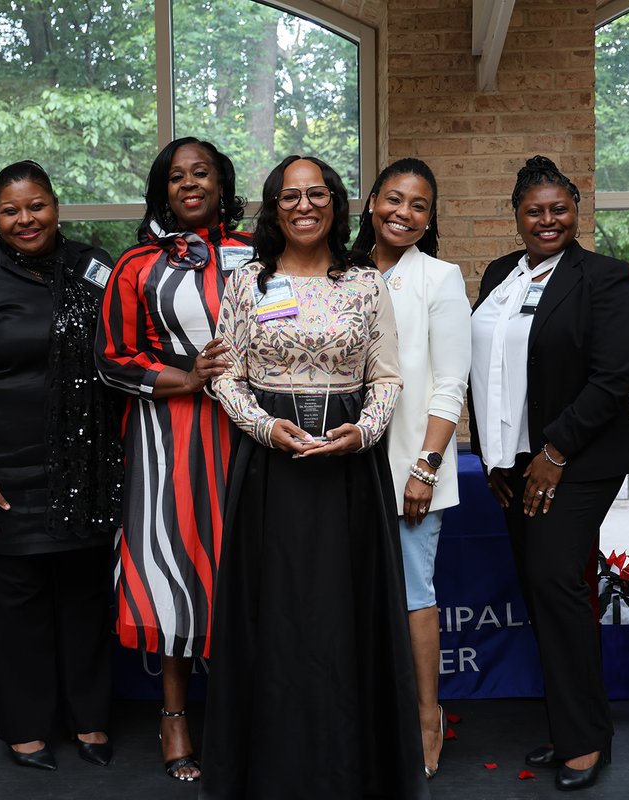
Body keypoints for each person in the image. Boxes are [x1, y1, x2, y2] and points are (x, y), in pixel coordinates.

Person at [200, 155, 427, 800]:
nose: (305, 205)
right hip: (270, 467)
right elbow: (225, 374)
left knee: (343, 615)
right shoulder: (248, 283)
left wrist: (368, 431)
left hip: (349, 466)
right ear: (274, 208)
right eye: (290, 196)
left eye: (317, 193)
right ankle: (273, 771)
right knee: (276, 617)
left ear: (335, 204)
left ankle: (351, 768)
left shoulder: (364, 284)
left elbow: (386, 375)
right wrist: (265, 428)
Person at [0, 160, 123, 772]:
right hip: (8, 469)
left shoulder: (92, 268)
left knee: (85, 593)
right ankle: (26, 728)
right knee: (20, 601)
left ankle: (91, 718)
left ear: (55, 204)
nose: (26, 219)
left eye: (36, 205)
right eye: (11, 210)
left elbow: (121, 355)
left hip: (88, 461)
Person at [469, 156, 629, 792]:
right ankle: (575, 725)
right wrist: (493, 456)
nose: (548, 220)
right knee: (544, 592)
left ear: (576, 210)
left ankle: (587, 740)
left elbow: (615, 375)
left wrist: (556, 452)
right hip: (514, 465)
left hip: (579, 461)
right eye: (535, 211)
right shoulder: (498, 275)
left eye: (559, 209)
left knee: (558, 586)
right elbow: (481, 370)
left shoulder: (604, 277)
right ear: (517, 216)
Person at [95, 137, 252, 781]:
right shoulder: (136, 265)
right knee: (175, 568)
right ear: (164, 190)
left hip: (253, 433)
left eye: (203, 173)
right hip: (170, 435)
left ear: (222, 184)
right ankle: (175, 717)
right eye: (177, 176)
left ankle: (247, 717)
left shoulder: (260, 255)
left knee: (246, 569)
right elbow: (111, 357)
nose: (190, 184)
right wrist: (188, 378)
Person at [352, 157, 471, 779]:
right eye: (393, 199)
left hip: (407, 467)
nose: (403, 213)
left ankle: (428, 716)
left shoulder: (440, 278)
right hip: (342, 465)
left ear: (429, 218)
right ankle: (365, 713)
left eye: (418, 205)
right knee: (350, 596)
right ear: (371, 202)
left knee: (412, 595)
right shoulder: (338, 274)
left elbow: (450, 384)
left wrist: (425, 467)